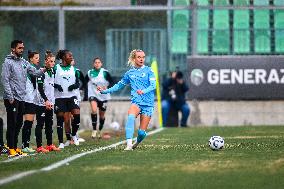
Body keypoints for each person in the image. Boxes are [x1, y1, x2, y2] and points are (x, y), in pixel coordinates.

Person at [97, 49, 156, 150]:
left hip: (148, 104)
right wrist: (104, 91)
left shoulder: (149, 70)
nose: (141, 59)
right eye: (139, 57)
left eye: (143, 57)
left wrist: (144, 91)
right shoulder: (129, 73)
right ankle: (128, 144)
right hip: (136, 101)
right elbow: (118, 86)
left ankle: (136, 142)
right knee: (131, 116)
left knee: (141, 133)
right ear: (134, 58)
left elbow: (153, 85)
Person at [1, 40, 44, 157]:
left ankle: (15, 147)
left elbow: (34, 72)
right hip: (12, 98)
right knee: (12, 123)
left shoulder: (23, 62)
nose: (22, 50)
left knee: (19, 123)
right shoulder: (7, 62)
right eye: (19, 48)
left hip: (21, 98)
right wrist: (10, 97)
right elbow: (5, 80)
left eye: (23, 48)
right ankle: (11, 149)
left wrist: (44, 68)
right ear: (13, 49)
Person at [53, 49, 81, 149]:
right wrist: (56, 85)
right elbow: (49, 80)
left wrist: (74, 86)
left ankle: (73, 134)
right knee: (60, 119)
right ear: (64, 57)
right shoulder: (56, 68)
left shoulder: (74, 69)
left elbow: (78, 83)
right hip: (59, 98)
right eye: (69, 56)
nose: (71, 57)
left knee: (77, 115)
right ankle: (61, 142)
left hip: (72, 96)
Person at [36, 50, 60, 152]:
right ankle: (39, 147)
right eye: (51, 61)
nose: (53, 63)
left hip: (50, 102)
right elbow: (40, 89)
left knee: (49, 124)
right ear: (46, 61)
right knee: (40, 124)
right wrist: (45, 100)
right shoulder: (41, 72)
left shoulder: (52, 72)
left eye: (54, 61)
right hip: (41, 102)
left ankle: (49, 145)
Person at [86, 57, 113, 139]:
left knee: (102, 115)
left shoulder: (105, 73)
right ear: (93, 64)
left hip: (103, 96)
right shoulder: (90, 73)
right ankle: (94, 130)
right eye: (96, 62)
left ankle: (100, 130)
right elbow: (84, 81)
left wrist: (107, 88)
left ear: (101, 64)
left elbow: (112, 82)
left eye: (99, 62)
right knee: (94, 110)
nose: (97, 64)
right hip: (93, 94)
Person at [21, 50, 41, 154]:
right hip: (27, 99)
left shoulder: (32, 68)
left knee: (29, 123)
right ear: (31, 59)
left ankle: (25, 145)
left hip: (31, 99)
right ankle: (24, 145)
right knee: (27, 123)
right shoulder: (29, 68)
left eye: (38, 58)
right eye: (36, 58)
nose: (38, 59)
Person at [64, 59, 85, 147]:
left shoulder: (77, 71)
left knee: (74, 117)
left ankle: (74, 135)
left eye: (72, 60)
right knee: (66, 119)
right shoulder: (62, 71)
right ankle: (68, 139)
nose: (71, 61)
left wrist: (80, 89)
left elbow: (84, 82)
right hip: (64, 97)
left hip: (75, 97)